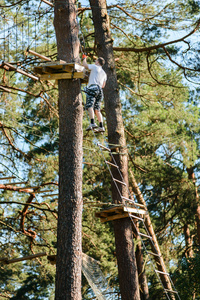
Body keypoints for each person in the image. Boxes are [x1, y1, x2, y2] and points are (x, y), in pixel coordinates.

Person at [82, 54, 107, 132]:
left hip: (93, 88)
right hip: (100, 90)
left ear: (98, 62)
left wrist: (84, 58)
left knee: (90, 106)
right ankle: (101, 126)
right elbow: (103, 85)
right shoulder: (104, 73)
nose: (95, 62)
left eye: (96, 61)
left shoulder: (95, 67)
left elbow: (85, 65)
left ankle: (92, 123)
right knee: (97, 109)